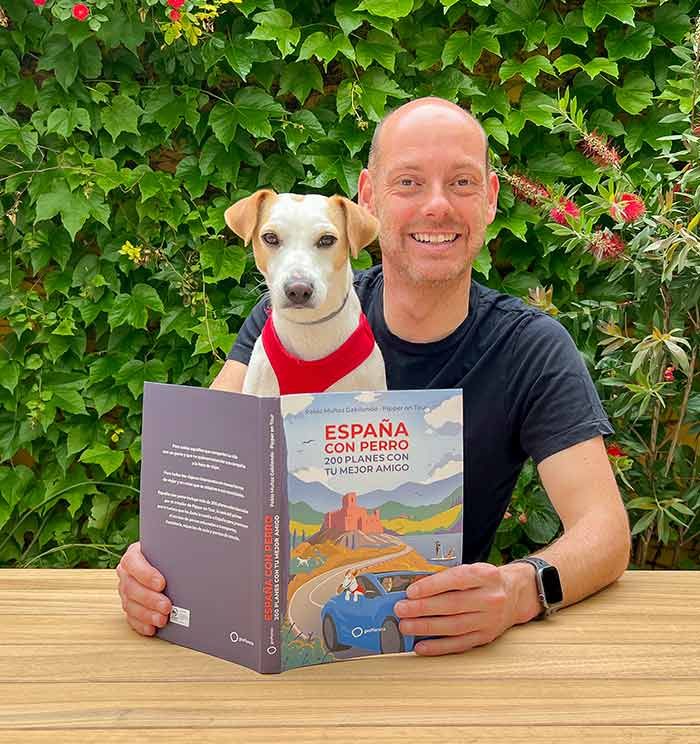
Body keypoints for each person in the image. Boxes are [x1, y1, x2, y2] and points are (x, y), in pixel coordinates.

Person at [117, 97, 631, 656]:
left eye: (461, 182)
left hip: (445, 655)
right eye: (408, 182)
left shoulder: (530, 347)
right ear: (368, 198)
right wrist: (159, 567)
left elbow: (604, 531)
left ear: (489, 200)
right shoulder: (283, 319)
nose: (436, 206)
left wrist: (517, 590)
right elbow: (211, 469)